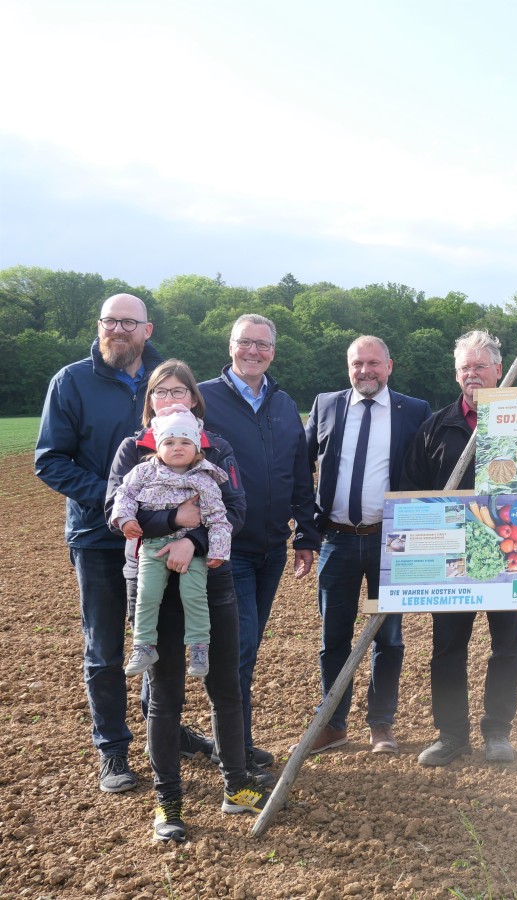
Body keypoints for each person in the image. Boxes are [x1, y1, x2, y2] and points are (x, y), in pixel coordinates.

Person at [105, 359, 268, 842]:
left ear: (194, 400)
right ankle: (167, 803)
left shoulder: (217, 449)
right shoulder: (131, 452)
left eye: (180, 391)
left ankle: (235, 787)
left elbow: (235, 510)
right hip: (151, 582)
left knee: (225, 686)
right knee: (165, 696)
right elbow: (114, 511)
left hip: (211, 579)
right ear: (150, 402)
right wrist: (175, 522)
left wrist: (193, 542)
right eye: (161, 392)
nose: (171, 398)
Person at [397, 330, 517, 766]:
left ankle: (497, 732)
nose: (472, 374)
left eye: (480, 366)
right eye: (465, 368)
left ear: (499, 371)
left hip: (510, 557)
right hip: (451, 559)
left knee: (506, 646)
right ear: (457, 375)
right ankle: (451, 734)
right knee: (448, 648)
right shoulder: (436, 427)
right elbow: (412, 490)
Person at [34, 293, 165, 793]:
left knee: (156, 640)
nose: (117, 330)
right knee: (105, 647)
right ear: (99, 325)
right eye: (110, 321)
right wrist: (116, 502)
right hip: (97, 536)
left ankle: (163, 733)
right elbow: (50, 460)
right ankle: (112, 749)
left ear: (146, 331)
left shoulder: (166, 379)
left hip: (160, 535)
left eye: (128, 323)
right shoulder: (71, 381)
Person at [199, 314, 319, 781]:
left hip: (271, 547)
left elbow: (297, 471)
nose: (254, 351)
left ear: (273, 350)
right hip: (226, 549)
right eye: (245, 342)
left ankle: (235, 740)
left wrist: (305, 534)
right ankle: (233, 752)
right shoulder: (203, 399)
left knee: (244, 649)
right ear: (230, 347)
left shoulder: (284, 403)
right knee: (238, 648)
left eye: (262, 344)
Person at [302, 336, 431, 755]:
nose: (365, 371)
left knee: (388, 638)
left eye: (373, 363)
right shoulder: (326, 404)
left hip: (391, 541)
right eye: (357, 364)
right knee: (332, 638)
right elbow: (301, 466)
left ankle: (381, 725)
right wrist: (304, 528)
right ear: (348, 366)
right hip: (336, 540)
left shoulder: (414, 410)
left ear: (389, 366)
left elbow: (428, 470)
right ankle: (333, 723)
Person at [112, 408, 232, 678]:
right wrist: (124, 519)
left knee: (194, 596)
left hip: (192, 553)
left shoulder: (205, 480)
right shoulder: (142, 473)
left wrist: (218, 550)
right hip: (153, 546)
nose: (177, 448)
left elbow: (218, 518)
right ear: (158, 446)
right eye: (169, 442)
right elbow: (124, 495)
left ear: (197, 447)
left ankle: (200, 647)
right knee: (147, 596)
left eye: (185, 442)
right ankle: (143, 645)